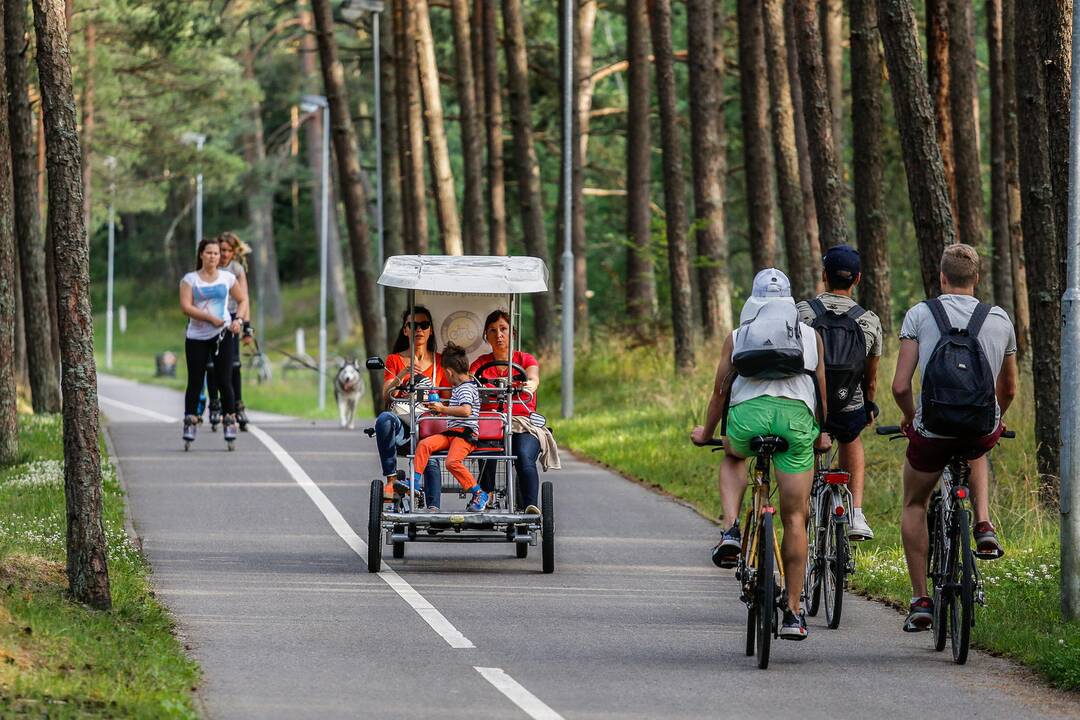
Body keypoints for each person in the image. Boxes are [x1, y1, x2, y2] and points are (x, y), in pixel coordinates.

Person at [691, 268, 829, 641]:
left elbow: (720, 392)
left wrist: (705, 432)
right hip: (796, 422)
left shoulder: (737, 337)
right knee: (795, 518)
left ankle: (732, 528)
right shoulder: (811, 336)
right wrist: (820, 435)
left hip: (748, 420)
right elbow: (819, 392)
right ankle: (795, 612)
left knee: (734, 455)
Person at [891, 243, 1018, 632]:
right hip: (979, 429)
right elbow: (1009, 388)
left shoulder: (920, 314)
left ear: (942, 277)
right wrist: (994, 421)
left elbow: (899, 386)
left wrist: (912, 419)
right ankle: (983, 524)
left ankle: (920, 600)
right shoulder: (999, 319)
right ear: (976, 279)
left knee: (914, 502)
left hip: (933, 430)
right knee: (977, 443)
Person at [796, 245, 883, 540]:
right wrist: (869, 405)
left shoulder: (802, 313)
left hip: (810, 407)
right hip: (848, 406)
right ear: (857, 279)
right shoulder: (868, 320)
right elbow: (870, 379)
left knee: (805, 440)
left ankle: (802, 511)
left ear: (824, 276)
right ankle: (856, 512)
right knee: (852, 435)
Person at [470, 310, 544, 515]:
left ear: (512, 332)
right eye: (493, 331)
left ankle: (530, 505)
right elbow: (469, 380)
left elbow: (533, 377)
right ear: (487, 336)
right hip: (491, 423)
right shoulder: (480, 364)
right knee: (485, 446)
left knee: (523, 455)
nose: (499, 335)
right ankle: (487, 494)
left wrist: (529, 385)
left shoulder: (525, 359)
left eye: (503, 329)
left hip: (521, 421)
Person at [373, 306, 446, 505]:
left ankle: (433, 509)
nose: (419, 330)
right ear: (405, 330)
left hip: (429, 424)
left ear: (430, 330)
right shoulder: (394, 359)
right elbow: (386, 395)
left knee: (430, 453)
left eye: (424, 325)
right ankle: (391, 479)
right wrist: (402, 374)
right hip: (403, 424)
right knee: (384, 419)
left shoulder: (441, 362)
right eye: (412, 325)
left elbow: (448, 395)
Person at [180, 238, 249, 447]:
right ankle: (191, 420)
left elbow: (243, 300)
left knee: (224, 379)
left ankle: (229, 420)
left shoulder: (227, 278)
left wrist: (238, 320)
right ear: (201, 254)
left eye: (216, 253)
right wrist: (209, 318)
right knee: (196, 380)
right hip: (197, 336)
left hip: (222, 334)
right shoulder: (190, 280)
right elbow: (186, 307)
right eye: (209, 253)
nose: (213, 257)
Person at [413, 343, 488, 512]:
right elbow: (456, 411)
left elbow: (466, 411)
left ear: (448, 372)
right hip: (452, 433)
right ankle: (414, 483)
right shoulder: (458, 388)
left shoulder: (466, 388)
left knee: (452, 462)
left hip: (464, 434)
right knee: (424, 444)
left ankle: (479, 493)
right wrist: (439, 411)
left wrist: (442, 409)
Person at [206, 232, 253, 430]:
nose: (223, 254)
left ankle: (237, 404)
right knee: (211, 365)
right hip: (211, 318)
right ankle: (214, 402)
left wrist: (247, 327)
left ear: (234, 253)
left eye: (227, 251)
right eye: (221, 250)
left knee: (234, 364)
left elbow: (245, 299)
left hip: (233, 317)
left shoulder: (236, 269)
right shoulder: (210, 266)